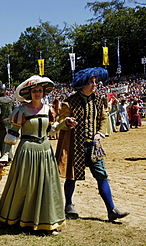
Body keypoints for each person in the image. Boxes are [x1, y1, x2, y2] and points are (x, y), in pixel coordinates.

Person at [55, 67, 129, 221]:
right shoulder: (68, 103)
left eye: (96, 81)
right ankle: (69, 206)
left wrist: (100, 133)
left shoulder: (99, 100)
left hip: (94, 145)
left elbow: (103, 118)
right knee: (72, 176)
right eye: (92, 82)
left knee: (102, 175)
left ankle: (111, 209)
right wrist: (67, 122)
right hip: (75, 145)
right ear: (82, 84)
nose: (95, 84)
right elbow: (59, 123)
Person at [0, 75, 65, 235]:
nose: (37, 93)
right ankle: (17, 218)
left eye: (40, 90)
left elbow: (51, 130)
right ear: (29, 93)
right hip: (27, 151)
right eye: (34, 90)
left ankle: (47, 221)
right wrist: (5, 156)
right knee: (24, 185)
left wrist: (64, 124)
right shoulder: (20, 111)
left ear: (43, 92)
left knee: (46, 185)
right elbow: (12, 135)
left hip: (45, 150)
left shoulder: (49, 110)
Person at [0, 84, 14, 162]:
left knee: (1, 140)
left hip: (1, 123)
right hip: (10, 123)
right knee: (9, 139)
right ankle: (9, 156)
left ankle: (2, 156)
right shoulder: (10, 101)